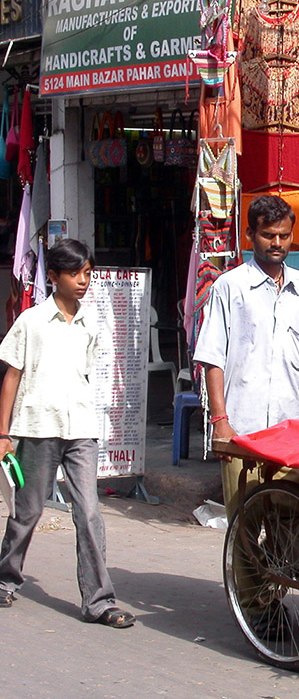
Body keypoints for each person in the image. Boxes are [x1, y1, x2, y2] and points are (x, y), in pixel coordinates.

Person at [0, 239, 135, 628]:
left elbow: (86, 374)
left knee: (90, 513)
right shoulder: (31, 321)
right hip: (38, 427)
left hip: (80, 429)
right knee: (27, 512)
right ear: (54, 276)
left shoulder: (91, 323)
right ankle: (6, 578)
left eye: (88, 273)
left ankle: (99, 601)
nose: (83, 280)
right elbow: (12, 376)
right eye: (75, 273)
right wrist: (3, 434)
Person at [193, 195, 299, 516]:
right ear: (250, 235)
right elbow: (212, 358)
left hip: (296, 429)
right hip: (243, 430)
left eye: (283, 236)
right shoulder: (229, 287)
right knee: (244, 527)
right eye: (268, 235)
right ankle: (246, 569)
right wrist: (220, 421)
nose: (276, 243)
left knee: (298, 527)